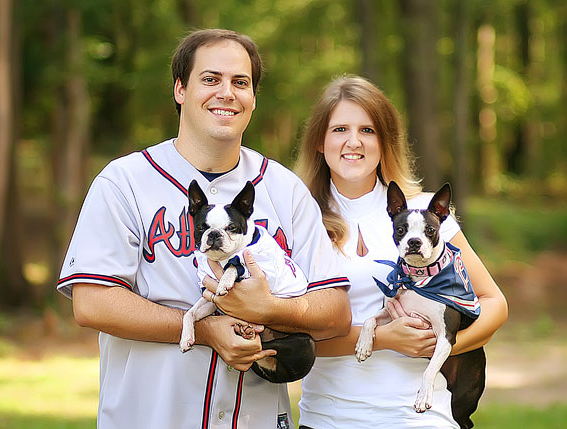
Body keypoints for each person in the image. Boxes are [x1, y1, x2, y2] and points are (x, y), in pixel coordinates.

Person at [57, 29, 351, 429]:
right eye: (210, 79)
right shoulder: (124, 181)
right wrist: (203, 328)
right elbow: (91, 302)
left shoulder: (285, 190)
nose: (226, 93)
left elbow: (335, 312)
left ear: (253, 98)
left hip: (258, 417)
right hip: (149, 416)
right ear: (180, 89)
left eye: (240, 83)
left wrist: (270, 309)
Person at [294, 75, 508, 428]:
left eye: (367, 130)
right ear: (319, 140)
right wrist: (383, 339)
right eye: (339, 130)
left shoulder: (424, 214)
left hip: (422, 417)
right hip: (329, 417)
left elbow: (495, 305)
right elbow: (288, 335)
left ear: (384, 141)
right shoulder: (298, 220)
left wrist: (437, 346)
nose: (353, 142)